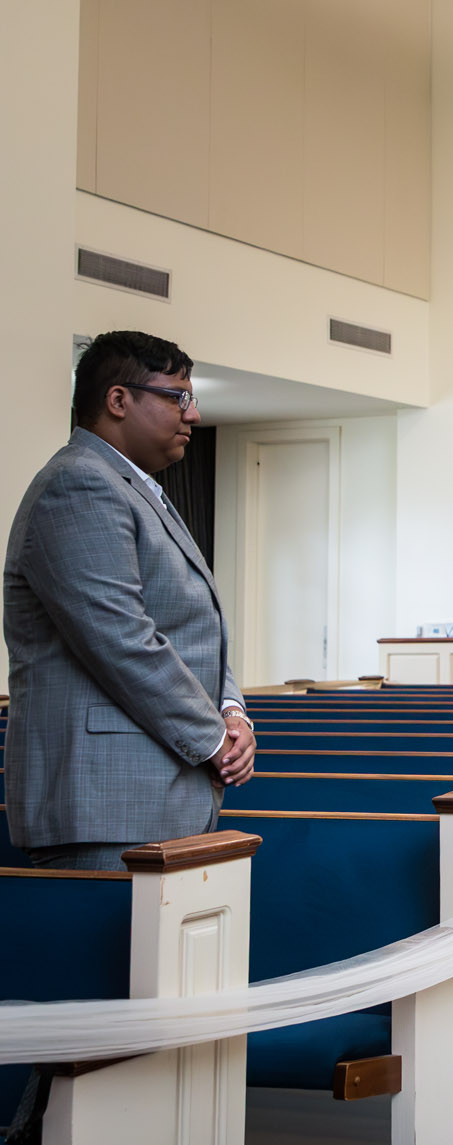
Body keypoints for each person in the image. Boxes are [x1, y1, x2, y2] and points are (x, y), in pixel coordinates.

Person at [4, 330, 255, 871]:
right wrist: (213, 738)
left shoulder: (134, 489)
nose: (193, 414)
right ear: (118, 401)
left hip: (154, 796)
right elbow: (122, 639)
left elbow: (194, 627)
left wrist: (233, 713)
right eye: (178, 397)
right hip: (104, 804)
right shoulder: (79, 484)